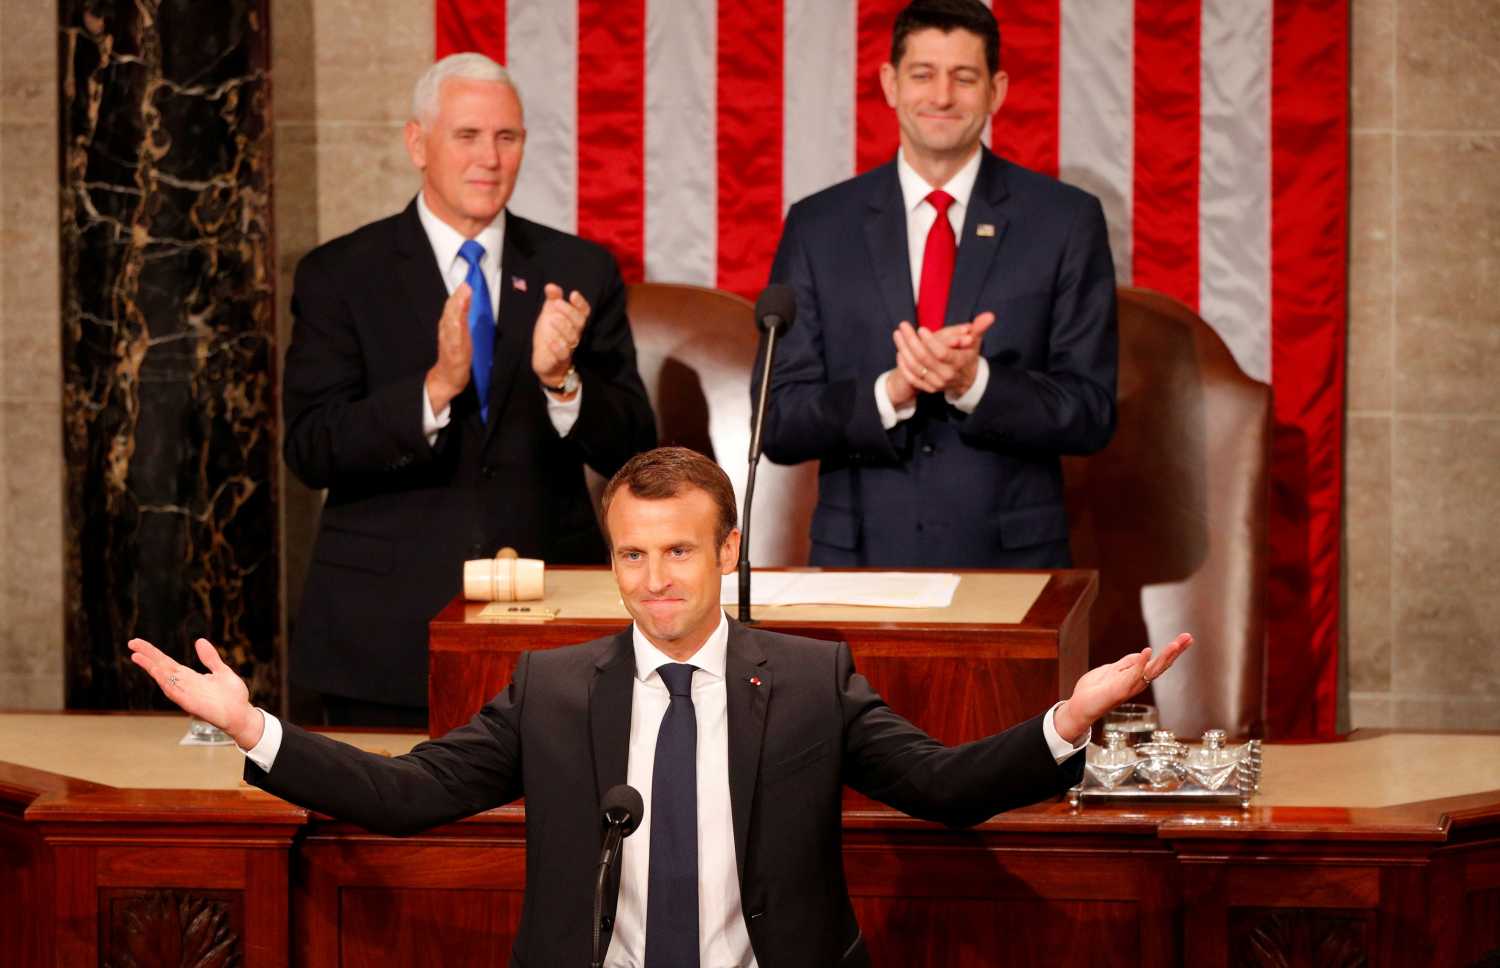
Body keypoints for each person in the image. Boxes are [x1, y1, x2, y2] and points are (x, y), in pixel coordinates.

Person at [130, 446, 1192, 968]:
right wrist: (250, 724)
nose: (654, 578)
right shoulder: (552, 689)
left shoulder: (811, 680)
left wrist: (1067, 718)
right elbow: (408, 792)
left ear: (727, 551)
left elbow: (944, 785)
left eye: (679, 549)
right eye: (632, 554)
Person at [283, 53, 656, 725]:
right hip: (384, 636)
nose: (490, 156)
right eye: (467, 136)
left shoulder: (579, 270)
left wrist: (562, 382)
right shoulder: (340, 274)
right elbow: (311, 448)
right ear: (417, 143)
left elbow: (635, 445)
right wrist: (433, 389)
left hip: (552, 628)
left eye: (506, 137)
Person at [759, 0, 1117, 569]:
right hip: (857, 565)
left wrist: (976, 382)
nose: (942, 96)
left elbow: (1091, 410)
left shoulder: (1065, 222)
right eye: (923, 74)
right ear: (890, 83)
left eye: (964, 77)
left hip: (1012, 567)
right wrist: (890, 392)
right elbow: (777, 421)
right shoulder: (818, 226)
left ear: (996, 90)